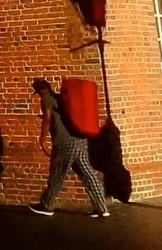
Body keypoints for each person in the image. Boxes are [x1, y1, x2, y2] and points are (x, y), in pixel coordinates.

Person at [30, 78, 109, 218]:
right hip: (80, 140)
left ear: (41, 90)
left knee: (56, 175)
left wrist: (42, 140)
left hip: (64, 142)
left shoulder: (46, 98)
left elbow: (48, 119)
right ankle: (102, 208)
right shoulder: (62, 98)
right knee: (88, 174)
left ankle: (46, 205)